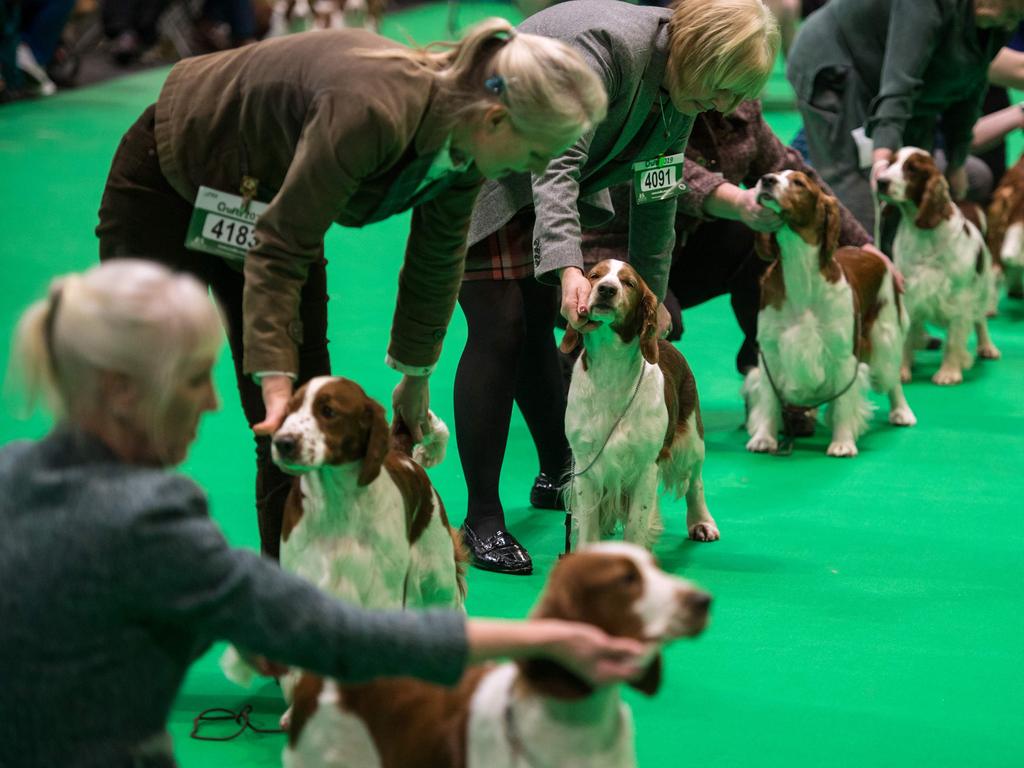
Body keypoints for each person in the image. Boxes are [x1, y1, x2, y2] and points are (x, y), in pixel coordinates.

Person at [0, 260, 651, 768]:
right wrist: (545, 640)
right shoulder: (151, 515)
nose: (212, 404)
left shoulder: (11, 474)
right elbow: (338, 634)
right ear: (121, 392)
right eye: (196, 379)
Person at [96, 21, 607, 559]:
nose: (532, 171)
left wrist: (415, 378)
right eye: (533, 155)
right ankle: (104, 562)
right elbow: (282, 242)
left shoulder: (467, 146)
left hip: (274, 200)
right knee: (137, 388)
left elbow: (435, 260)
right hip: (174, 172)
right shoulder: (372, 110)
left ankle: (288, 599)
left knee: (303, 430)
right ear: (498, 118)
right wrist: (274, 378)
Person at [454, 0, 780, 575]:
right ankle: (482, 519)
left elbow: (657, 205)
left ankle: (558, 473)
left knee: (534, 326)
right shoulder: (608, 49)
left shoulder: (680, 95)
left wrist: (649, 303)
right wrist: (568, 267)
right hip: (484, 160)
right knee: (500, 326)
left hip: (542, 180)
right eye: (726, 89)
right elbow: (558, 164)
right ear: (702, 55)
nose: (728, 107)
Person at [786, 0, 1024, 236]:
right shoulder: (925, 6)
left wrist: (957, 161)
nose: (1012, 22)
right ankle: (861, 259)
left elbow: (972, 81)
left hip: (898, 83)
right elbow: (899, 83)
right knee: (857, 187)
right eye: (1013, 10)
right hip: (838, 60)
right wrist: (881, 159)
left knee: (912, 191)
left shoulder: (1001, 19)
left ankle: (896, 264)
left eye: (1019, 15)